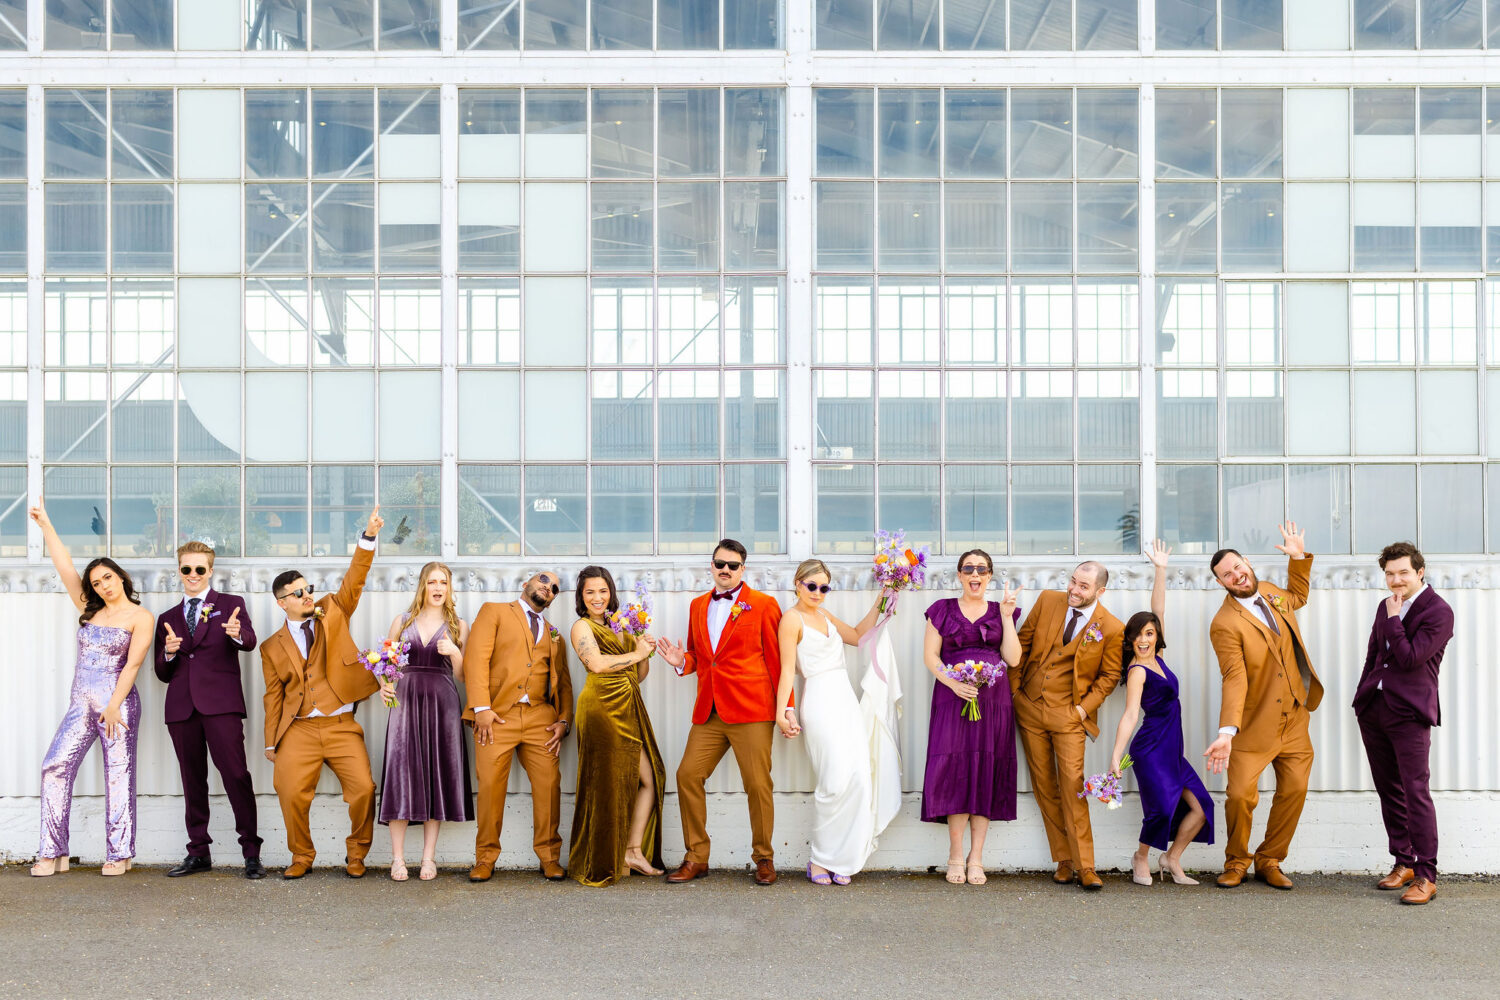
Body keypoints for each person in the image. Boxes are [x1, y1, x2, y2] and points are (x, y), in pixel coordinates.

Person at [261, 505, 386, 879]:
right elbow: (273, 697)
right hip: (298, 728)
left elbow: (355, 579)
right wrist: (271, 742)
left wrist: (368, 538)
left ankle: (357, 855)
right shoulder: (271, 646)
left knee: (363, 788)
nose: (306, 595)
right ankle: (302, 856)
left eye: (307, 589)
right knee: (288, 789)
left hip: (340, 724)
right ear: (281, 602)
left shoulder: (334, 608)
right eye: (297, 593)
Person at [30, 502, 154, 877]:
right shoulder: (89, 608)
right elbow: (64, 565)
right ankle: (53, 851)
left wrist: (115, 704)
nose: (102, 585)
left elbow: (133, 664)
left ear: (120, 576)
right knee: (54, 766)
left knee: (118, 775)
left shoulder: (141, 616)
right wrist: (47, 525)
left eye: (107, 578)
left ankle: (120, 853)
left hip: (117, 706)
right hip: (80, 705)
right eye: (97, 582)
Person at [656, 539, 785, 885]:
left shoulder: (763, 604)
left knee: (758, 785)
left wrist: (785, 708)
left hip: (752, 709)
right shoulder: (698, 605)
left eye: (732, 565)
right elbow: (701, 657)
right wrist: (681, 662)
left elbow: (777, 660)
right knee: (687, 776)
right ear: (711, 566)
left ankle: (764, 858)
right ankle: (697, 857)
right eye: (719, 564)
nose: (724, 570)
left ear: (743, 569)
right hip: (709, 710)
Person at [1202, 521, 1324, 890]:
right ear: (1221, 583)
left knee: (1295, 791)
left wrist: (1298, 557)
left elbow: (1298, 597)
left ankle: (1269, 859)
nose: (1237, 576)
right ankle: (1236, 861)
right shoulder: (1224, 624)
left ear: (1248, 564)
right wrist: (1227, 732)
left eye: (1239, 567)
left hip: (1295, 719)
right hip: (1253, 726)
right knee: (1239, 796)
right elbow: (1234, 678)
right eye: (1227, 575)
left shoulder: (1271, 592)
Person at [154, 540, 264, 879]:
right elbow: (161, 672)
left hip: (221, 706)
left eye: (199, 569)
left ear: (210, 571)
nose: (193, 575)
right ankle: (198, 851)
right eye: (186, 569)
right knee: (192, 781)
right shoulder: (167, 618)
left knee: (235, 776)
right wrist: (169, 653)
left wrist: (236, 633)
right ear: (179, 571)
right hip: (181, 710)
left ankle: (251, 853)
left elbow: (248, 641)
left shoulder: (231, 604)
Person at [1107, 540, 1213, 886]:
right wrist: (1115, 757)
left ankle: (1171, 858)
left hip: (1173, 752)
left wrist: (1161, 569)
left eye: (1149, 633)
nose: (1144, 639)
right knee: (1161, 811)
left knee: (1202, 807)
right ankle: (1140, 858)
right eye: (1138, 635)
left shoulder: (1160, 659)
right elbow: (1129, 716)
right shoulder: (1138, 670)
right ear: (1131, 640)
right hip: (1151, 750)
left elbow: (1158, 609)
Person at [1352, 541, 1453, 906]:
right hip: (1374, 709)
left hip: (1410, 713)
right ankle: (1403, 862)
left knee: (1415, 792)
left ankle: (1427, 874)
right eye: (1390, 574)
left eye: (1403, 573)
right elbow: (1374, 654)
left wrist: (1395, 619)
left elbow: (1410, 658)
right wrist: (1362, 697)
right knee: (1388, 789)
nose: (1395, 580)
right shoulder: (1385, 605)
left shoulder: (1438, 611)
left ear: (1419, 571)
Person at [1013, 560, 1124, 891]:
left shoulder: (1112, 628)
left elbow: (1109, 677)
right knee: (1044, 785)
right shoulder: (1048, 600)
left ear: (1100, 591)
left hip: (1069, 716)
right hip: (1029, 707)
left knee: (1073, 787)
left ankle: (1086, 866)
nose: (1074, 590)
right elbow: (1022, 645)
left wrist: (1081, 710)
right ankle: (1063, 860)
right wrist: (1015, 693)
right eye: (1073, 581)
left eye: (1084, 586)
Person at [464, 571, 575, 883]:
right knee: (489, 788)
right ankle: (485, 858)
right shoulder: (495, 611)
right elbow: (476, 659)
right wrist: (481, 708)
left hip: (540, 717)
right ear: (527, 581)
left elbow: (563, 682)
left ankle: (549, 857)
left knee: (549, 785)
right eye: (543, 580)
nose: (548, 587)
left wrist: (564, 720)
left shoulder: (554, 634)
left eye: (554, 588)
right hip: (496, 716)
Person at [920, 549, 1022, 886]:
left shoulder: (1000, 611)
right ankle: (954, 854)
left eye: (981, 569)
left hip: (993, 702)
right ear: (960, 575)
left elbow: (1014, 659)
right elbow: (931, 656)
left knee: (986, 772)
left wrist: (1007, 617)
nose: (974, 574)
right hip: (952, 701)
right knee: (955, 771)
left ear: (989, 575)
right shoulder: (942, 609)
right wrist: (953, 683)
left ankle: (976, 858)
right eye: (968, 569)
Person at [566, 566, 666, 887]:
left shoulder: (620, 624)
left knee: (651, 778)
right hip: (600, 708)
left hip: (628, 704)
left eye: (603, 591)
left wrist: (643, 649)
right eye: (590, 592)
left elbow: (636, 675)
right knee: (606, 782)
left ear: (611, 592)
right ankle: (604, 856)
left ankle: (632, 851)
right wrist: (635, 653)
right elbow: (595, 664)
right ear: (582, 597)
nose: (597, 598)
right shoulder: (581, 627)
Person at [377, 561, 473, 882]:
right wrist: (384, 686)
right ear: (423, 586)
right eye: (432, 582)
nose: (437, 588)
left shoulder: (458, 625)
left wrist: (456, 654)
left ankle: (428, 858)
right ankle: (397, 859)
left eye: (443, 582)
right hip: (405, 702)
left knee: (436, 775)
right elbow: (387, 667)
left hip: (443, 703)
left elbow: (463, 677)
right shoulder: (402, 622)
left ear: (449, 588)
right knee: (401, 773)